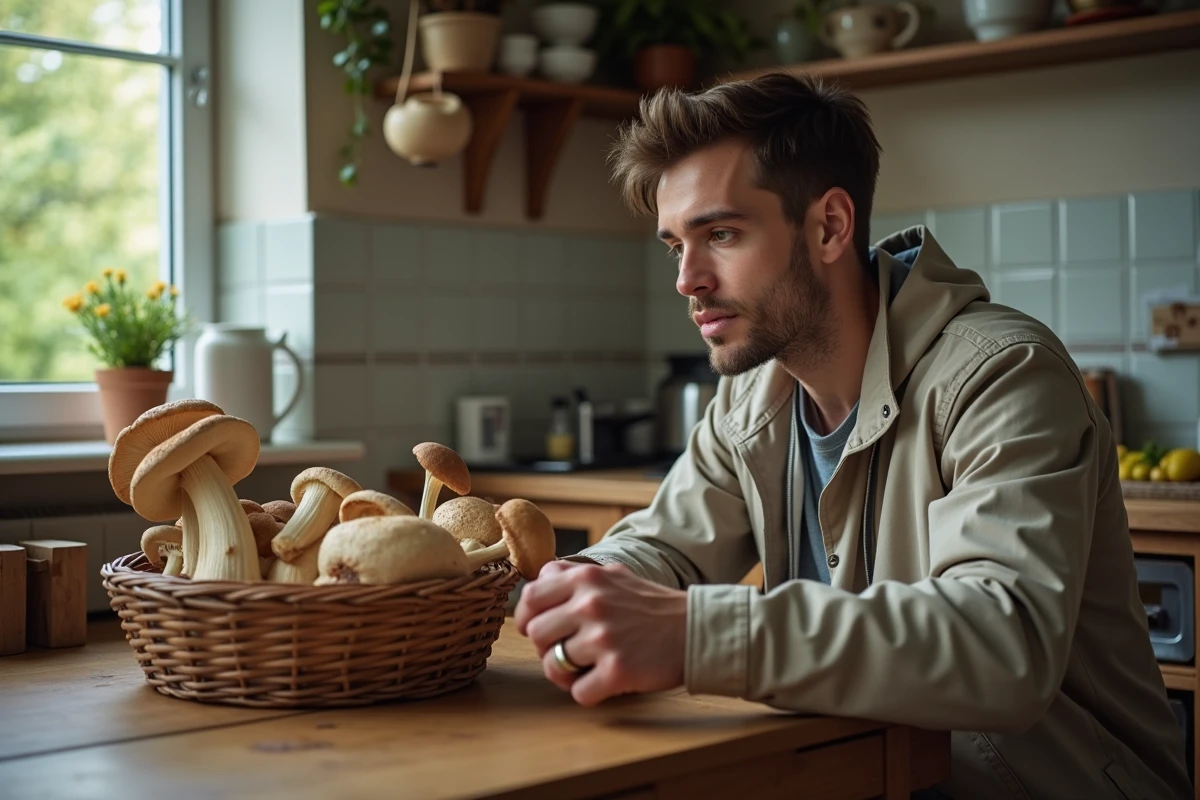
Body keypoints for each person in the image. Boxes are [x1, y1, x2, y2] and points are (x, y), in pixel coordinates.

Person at [512, 72, 1191, 799]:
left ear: (830, 227)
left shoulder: (1002, 375)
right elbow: (667, 547)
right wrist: (575, 587)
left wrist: (692, 635)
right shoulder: (751, 395)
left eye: (720, 234)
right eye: (675, 244)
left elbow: (1002, 645)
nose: (687, 279)